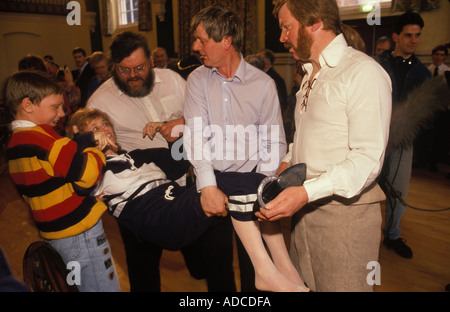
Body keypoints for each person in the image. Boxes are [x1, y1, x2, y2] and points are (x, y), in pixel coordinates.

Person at [69, 108, 308, 292]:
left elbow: (177, 164)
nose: (104, 129)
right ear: (83, 134)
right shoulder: (90, 168)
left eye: (105, 124)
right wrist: (88, 140)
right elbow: (70, 163)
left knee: (240, 192)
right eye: (95, 127)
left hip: (174, 199)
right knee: (217, 183)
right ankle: (274, 197)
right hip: (157, 217)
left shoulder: (138, 155)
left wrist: (173, 133)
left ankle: (282, 268)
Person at [257, 0, 391, 292]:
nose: (282, 37)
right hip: (303, 210)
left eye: (286, 27)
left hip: (345, 216)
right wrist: (286, 164)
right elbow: (308, 136)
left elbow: (367, 159)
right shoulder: (308, 75)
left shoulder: (363, 72)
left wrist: (305, 193)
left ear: (315, 22)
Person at [86, 31, 216, 292]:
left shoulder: (172, 80)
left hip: (184, 173)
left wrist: (180, 124)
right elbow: (95, 150)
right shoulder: (100, 102)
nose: (133, 75)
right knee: (142, 260)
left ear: (151, 61)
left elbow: (197, 114)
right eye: (124, 70)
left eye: (140, 67)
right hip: (140, 193)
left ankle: (200, 273)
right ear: (113, 67)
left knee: (197, 240)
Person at [184, 4, 287, 292]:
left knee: (256, 268)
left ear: (225, 41)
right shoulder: (196, 80)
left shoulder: (263, 84)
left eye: (202, 40)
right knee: (216, 267)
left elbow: (273, 141)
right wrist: (207, 185)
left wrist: (263, 189)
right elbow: (195, 135)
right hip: (212, 181)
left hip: (251, 181)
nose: (195, 46)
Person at [4, 70, 120, 292]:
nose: (62, 112)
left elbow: (58, 170)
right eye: (55, 107)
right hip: (81, 233)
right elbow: (86, 177)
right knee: (101, 285)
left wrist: (82, 142)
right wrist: (96, 151)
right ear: (28, 105)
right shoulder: (46, 139)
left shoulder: (15, 144)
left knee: (78, 285)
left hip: (55, 234)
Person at [376, 11, 431, 258]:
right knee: (366, 188)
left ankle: (392, 235)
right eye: (408, 35)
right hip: (374, 135)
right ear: (396, 36)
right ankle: (363, 233)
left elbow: (425, 111)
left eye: (418, 35)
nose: (414, 40)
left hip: (403, 142)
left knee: (398, 192)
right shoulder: (377, 64)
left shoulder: (422, 73)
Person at [257, 49, 288, 113]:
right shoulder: (262, 76)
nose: (257, 61)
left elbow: (281, 103)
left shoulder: (274, 79)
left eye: (259, 58)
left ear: (267, 62)